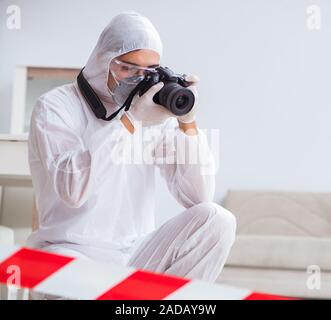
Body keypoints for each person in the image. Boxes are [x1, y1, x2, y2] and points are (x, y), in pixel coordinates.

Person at [26, 11, 236, 289]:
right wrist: (131, 121)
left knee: (217, 220)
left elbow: (198, 197)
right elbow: (73, 189)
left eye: (149, 71)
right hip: (69, 250)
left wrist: (187, 122)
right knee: (75, 285)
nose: (139, 79)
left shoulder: (149, 112)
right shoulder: (55, 107)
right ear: (104, 60)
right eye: (128, 68)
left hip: (134, 254)